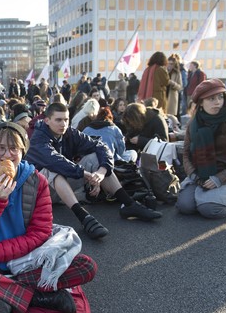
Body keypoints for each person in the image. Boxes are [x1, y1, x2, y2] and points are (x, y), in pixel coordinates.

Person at [0, 122, 97, 313]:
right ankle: (38, 297)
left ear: (23, 151)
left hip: (28, 261)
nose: (7, 155)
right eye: (0, 148)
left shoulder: (37, 182)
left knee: (86, 266)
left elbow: (40, 234)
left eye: (13, 149)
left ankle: (2, 292)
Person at [25, 102, 162, 240]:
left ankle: (129, 204)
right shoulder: (38, 137)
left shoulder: (69, 132)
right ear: (47, 120)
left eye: (66, 120)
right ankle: (84, 218)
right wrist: (85, 174)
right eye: (58, 120)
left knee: (96, 157)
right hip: (41, 193)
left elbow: (100, 145)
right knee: (50, 170)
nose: (63, 124)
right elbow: (54, 161)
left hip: (63, 187)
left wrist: (100, 172)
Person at [176, 79, 226, 219]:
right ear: (200, 103)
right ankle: (207, 197)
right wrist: (193, 174)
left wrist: (220, 178)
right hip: (199, 176)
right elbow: (186, 153)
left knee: (209, 210)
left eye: (220, 97)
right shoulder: (193, 123)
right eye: (211, 99)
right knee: (185, 207)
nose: (217, 102)